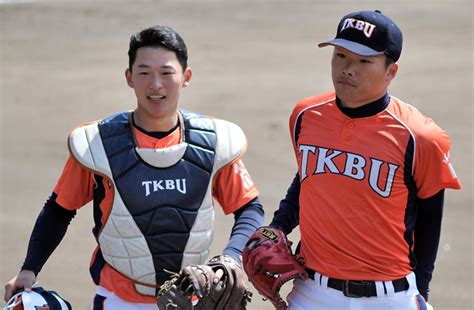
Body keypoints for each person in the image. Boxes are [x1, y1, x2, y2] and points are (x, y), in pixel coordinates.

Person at [4, 25, 264, 309]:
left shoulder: (213, 143)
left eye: (166, 73)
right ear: (129, 77)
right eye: (144, 73)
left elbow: (250, 208)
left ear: (186, 77)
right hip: (119, 301)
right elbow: (59, 209)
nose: (156, 85)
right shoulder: (98, 145)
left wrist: (232, 257)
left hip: (193, 300)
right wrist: (30, 268)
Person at [265, 10, 461, 309]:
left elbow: (430, 217)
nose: (347, 69)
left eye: (364, 61)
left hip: (391, 297)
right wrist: (278, 225)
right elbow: (307, 180)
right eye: (341, 56)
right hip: (312, 292)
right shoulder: (306, 116)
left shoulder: (419, 136)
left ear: (391, 71)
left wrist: (421, 289)